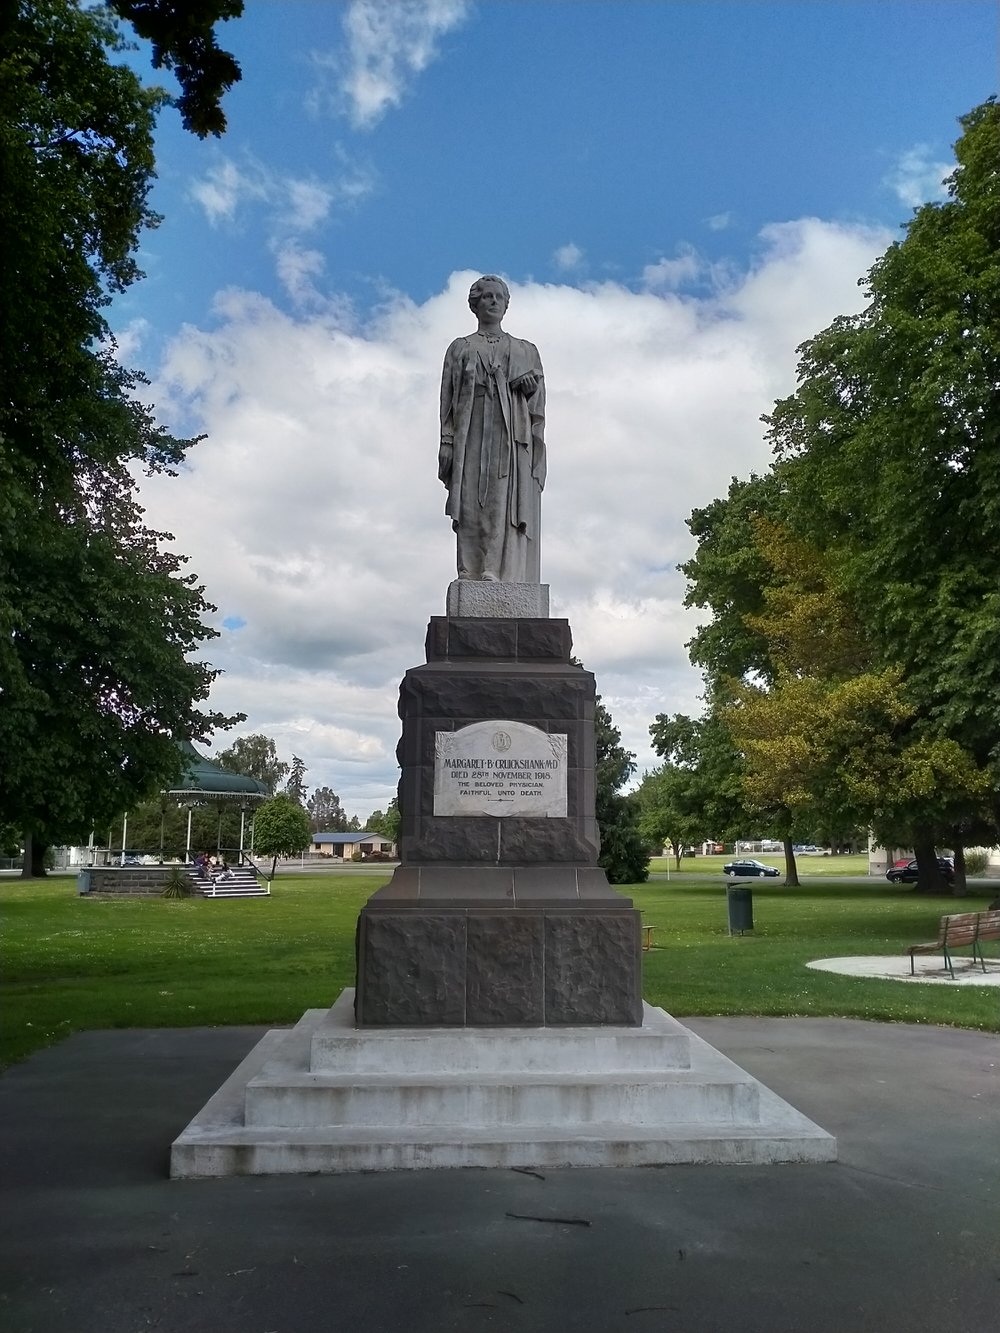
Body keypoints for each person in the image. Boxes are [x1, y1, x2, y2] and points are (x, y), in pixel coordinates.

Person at [439, 275, 546, 582]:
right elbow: (447, 400)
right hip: (471, 429)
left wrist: (527, 390)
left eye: (499, 297)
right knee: (470, 497)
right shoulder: (460, 348)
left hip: (509, 433)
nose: (494, 302)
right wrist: (447, 440)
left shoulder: (524, 349)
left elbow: (537, 399)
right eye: (487, 296)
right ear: (476, 304)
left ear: (506, 304)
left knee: (500, 500)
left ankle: (495, 569)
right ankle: (469, 568)